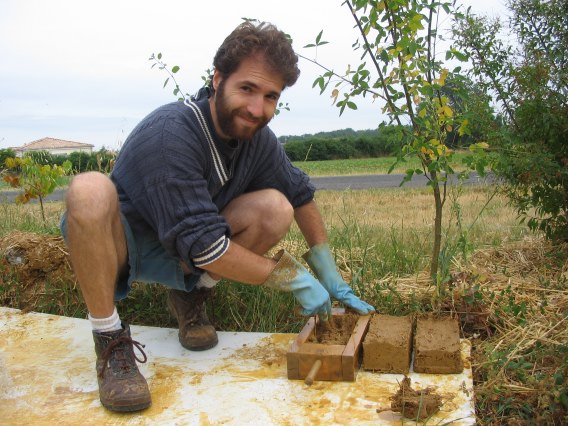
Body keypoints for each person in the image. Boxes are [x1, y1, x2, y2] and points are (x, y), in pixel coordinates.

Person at [61, 21, 375, 413]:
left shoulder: (257, 140)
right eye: (247, 89)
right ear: (218, 78)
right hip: (124, 243)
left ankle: (191, 296)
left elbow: (299, 194)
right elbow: (205, 245)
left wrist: (327, 268)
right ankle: (110, 342)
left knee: (275, 206)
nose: (257, 109)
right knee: (88, 189)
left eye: (271, 96)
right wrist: (292, 278)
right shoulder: (172, 132)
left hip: (187, 247)